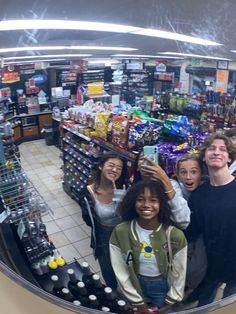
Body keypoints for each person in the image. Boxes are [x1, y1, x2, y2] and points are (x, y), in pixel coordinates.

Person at [110, 180, 187, 313]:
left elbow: (180, 271)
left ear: (161, 203)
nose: (146, 205)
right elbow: (120, 270)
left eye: (153, 200)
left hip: (162, 287)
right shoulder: (121, 231)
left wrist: (171, 299)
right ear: (133, 202)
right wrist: (138, 301)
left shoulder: (175, 235)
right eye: (140, 199)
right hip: (134, 286)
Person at [185, 133, 236, 306]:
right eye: (211, 148)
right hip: (209, 267)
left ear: (229, 158)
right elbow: (191, 232)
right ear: (204, 157)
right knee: (204, 307)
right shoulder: (198, 196)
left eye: (223, 149)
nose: (216, 152)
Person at [79, 152, 128, 289]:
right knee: (107, 269)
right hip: (103, 238)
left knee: (127, 267)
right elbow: (87, 219)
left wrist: (122, 200)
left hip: (124, 236)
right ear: (101, 166)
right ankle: (112, 292)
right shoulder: (88, 192)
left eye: (119, 168)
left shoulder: (124, 189)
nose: (114, 170)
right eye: (111, 165)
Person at [132, 150, 190, 230]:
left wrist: (165, 182)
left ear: (159, 166)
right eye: (142, 158)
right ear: (137, 167)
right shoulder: (132, 187)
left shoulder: (172, 184)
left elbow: (183, 221)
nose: (147, 161)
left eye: (152, 158)